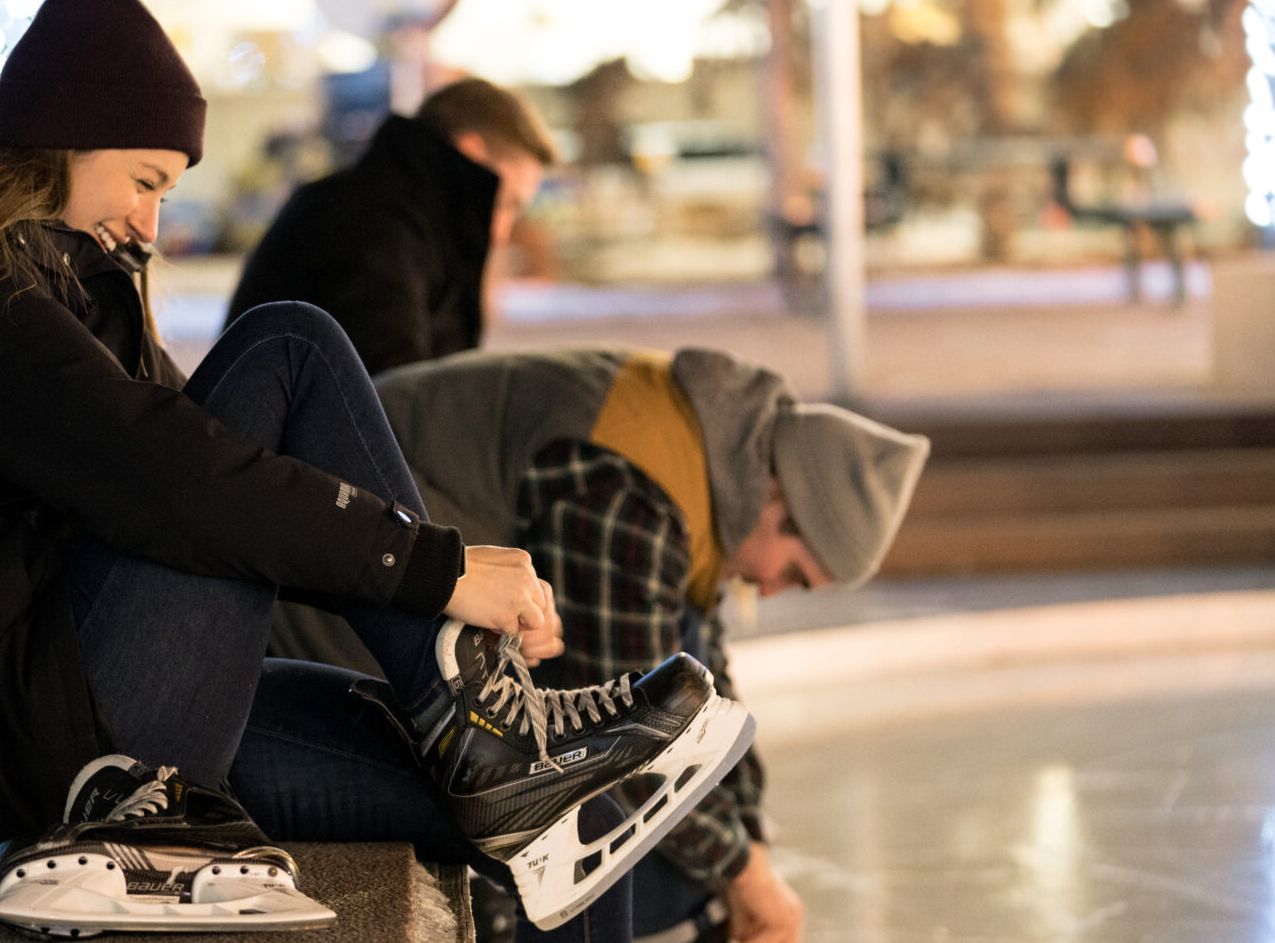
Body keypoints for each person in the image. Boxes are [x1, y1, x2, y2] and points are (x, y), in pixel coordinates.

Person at [0, 0, 756, 940]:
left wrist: (439, 592)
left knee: (572, 804)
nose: (151, 222)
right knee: (291, 345)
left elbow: (213, 478)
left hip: (80, 700)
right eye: (146, 180)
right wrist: (439, 572)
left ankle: (496, 743)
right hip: (35, 738)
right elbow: (175, 479)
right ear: (66, 138)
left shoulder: (70, 277)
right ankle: (488, 731)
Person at [271, 347, 930, 942]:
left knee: (698, 847)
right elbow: (630, 739)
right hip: (326, 642)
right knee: (652, 877)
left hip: (414, 649)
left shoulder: (703, 451)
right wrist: (748, 877)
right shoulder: (633, 489)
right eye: (792, 571)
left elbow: (712, 697)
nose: (775, 589)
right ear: (779, 496)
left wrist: (751, 844)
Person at [223, 77, 555, 375]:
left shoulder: (388, 213)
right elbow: (395, 398)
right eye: (505, 204)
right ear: (471, 153)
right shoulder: (375, 223)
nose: (500, 232)